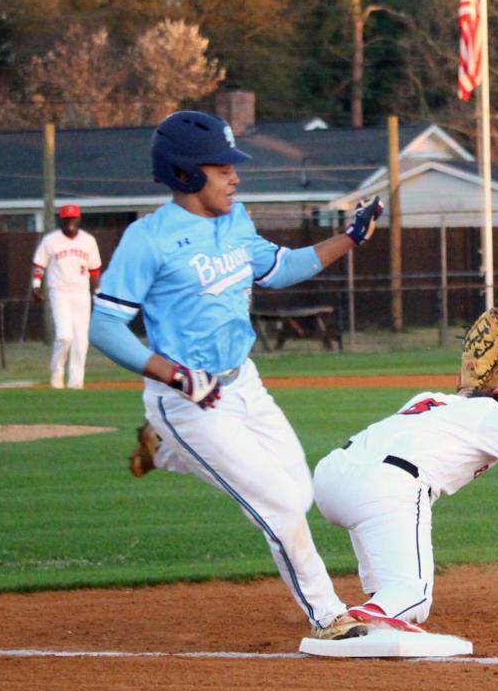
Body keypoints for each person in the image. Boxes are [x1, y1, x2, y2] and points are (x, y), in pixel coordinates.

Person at [89, 110, 385, 641]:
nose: (235, 176)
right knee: (275, 504)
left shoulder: (234, 220)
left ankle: (162, 450)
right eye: (222, 167)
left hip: (243, 381)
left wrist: (350, 239)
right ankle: (327, 615)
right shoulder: (147, 239)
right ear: (184, 173)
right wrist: (173, 375)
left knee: (299, 494)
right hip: (189, 397)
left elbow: (281, 270)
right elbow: (105, 326)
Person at [311, 377, 498, 633]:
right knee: (414, 596)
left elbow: (459, 409)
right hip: (386, 487)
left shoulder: (434, 400)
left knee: (389, 581)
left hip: (330, 478)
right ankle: (352, 621)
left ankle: (379, 605)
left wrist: (470, 392)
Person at [32, 204, 102, 389]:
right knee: (64, 336)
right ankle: (56, 375)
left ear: (78, 220)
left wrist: (97, 293)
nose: (70, 223)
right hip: (59, 291)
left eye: (73, 219)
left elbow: (94, 270)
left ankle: (76, 382)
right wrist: (36, 285)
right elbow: (40, 265)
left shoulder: (88, 241)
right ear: (60, 220)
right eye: (66, 220)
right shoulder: (51, 240)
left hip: (81, 292)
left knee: (81, 339)